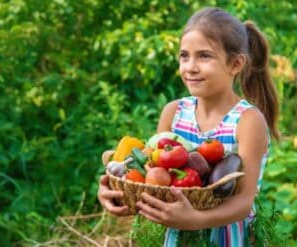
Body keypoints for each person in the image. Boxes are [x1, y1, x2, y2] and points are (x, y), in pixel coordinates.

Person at [98, 6, 280, 247]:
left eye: (204, 56)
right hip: (178, 239)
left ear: (235, 64)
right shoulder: (174, 113)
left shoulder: (247, 120)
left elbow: (243, 202)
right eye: (184, 56)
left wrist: (196, 220)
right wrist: (119, 194)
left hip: (229, 239)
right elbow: (154, 179)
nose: (190, 67)